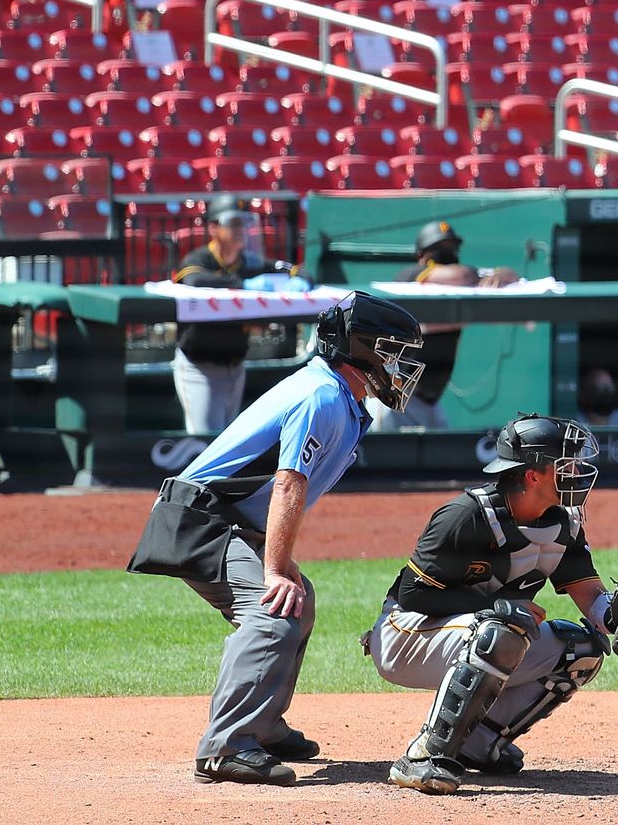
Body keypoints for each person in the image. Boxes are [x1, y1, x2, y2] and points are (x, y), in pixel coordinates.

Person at [126, 291, 424, 786]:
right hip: (196, 519)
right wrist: (272, 567)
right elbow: (288, 483)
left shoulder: (337, 396)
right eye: (393, 354)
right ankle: (226, 746)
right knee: (274, 608)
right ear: (363, 350)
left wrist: (279, 562)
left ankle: (262, 726)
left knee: (297, 600)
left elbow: (271, 490)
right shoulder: (321, 396)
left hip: (218, 519)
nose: (401, 368)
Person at [366, 413, 618, 796]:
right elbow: (414, 595)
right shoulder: (466, 516)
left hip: (475, 634)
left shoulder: (564, 523)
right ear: (533, 475)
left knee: (581, 649)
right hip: (404, 636)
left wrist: (617, 617)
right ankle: (423, 757)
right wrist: (496, 604)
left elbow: (589, 595)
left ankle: (477, 741)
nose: (577, 471)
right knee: (503, 630)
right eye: (565, 464)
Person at [374, 221, 513, 431]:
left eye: (452, 247)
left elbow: (511, 275)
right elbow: (463, 276)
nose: (448, 253)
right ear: (422, 255)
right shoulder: (409, 277)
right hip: (395, 397)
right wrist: (485, 275)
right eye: (440, 249)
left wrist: (499, 275)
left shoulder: (457, 290)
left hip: (428, 401)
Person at [171, 196, 272, 434]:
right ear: (214, 228)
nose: (241, 230)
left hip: (236, 365)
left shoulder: (249, 262)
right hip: (200, 365)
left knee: (227, 443)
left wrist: (297, 275)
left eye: (244, 224)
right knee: (206, 443)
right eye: (233, 224)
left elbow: (288, 269)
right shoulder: (200, 258)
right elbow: (193, 279)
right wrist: (242, 284)